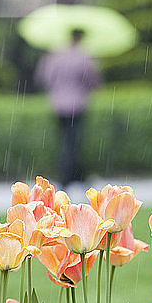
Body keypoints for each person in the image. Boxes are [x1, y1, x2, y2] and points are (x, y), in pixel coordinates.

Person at [34, 28, 101, 188]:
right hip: (76, 105)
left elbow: (43, 78)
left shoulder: (54, 56)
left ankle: (74, 175)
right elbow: (94, 81)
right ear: (81, 38)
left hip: (57, 105)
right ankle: (68, 178)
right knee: (73, 143)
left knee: (65, 141)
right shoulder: (84, 56)